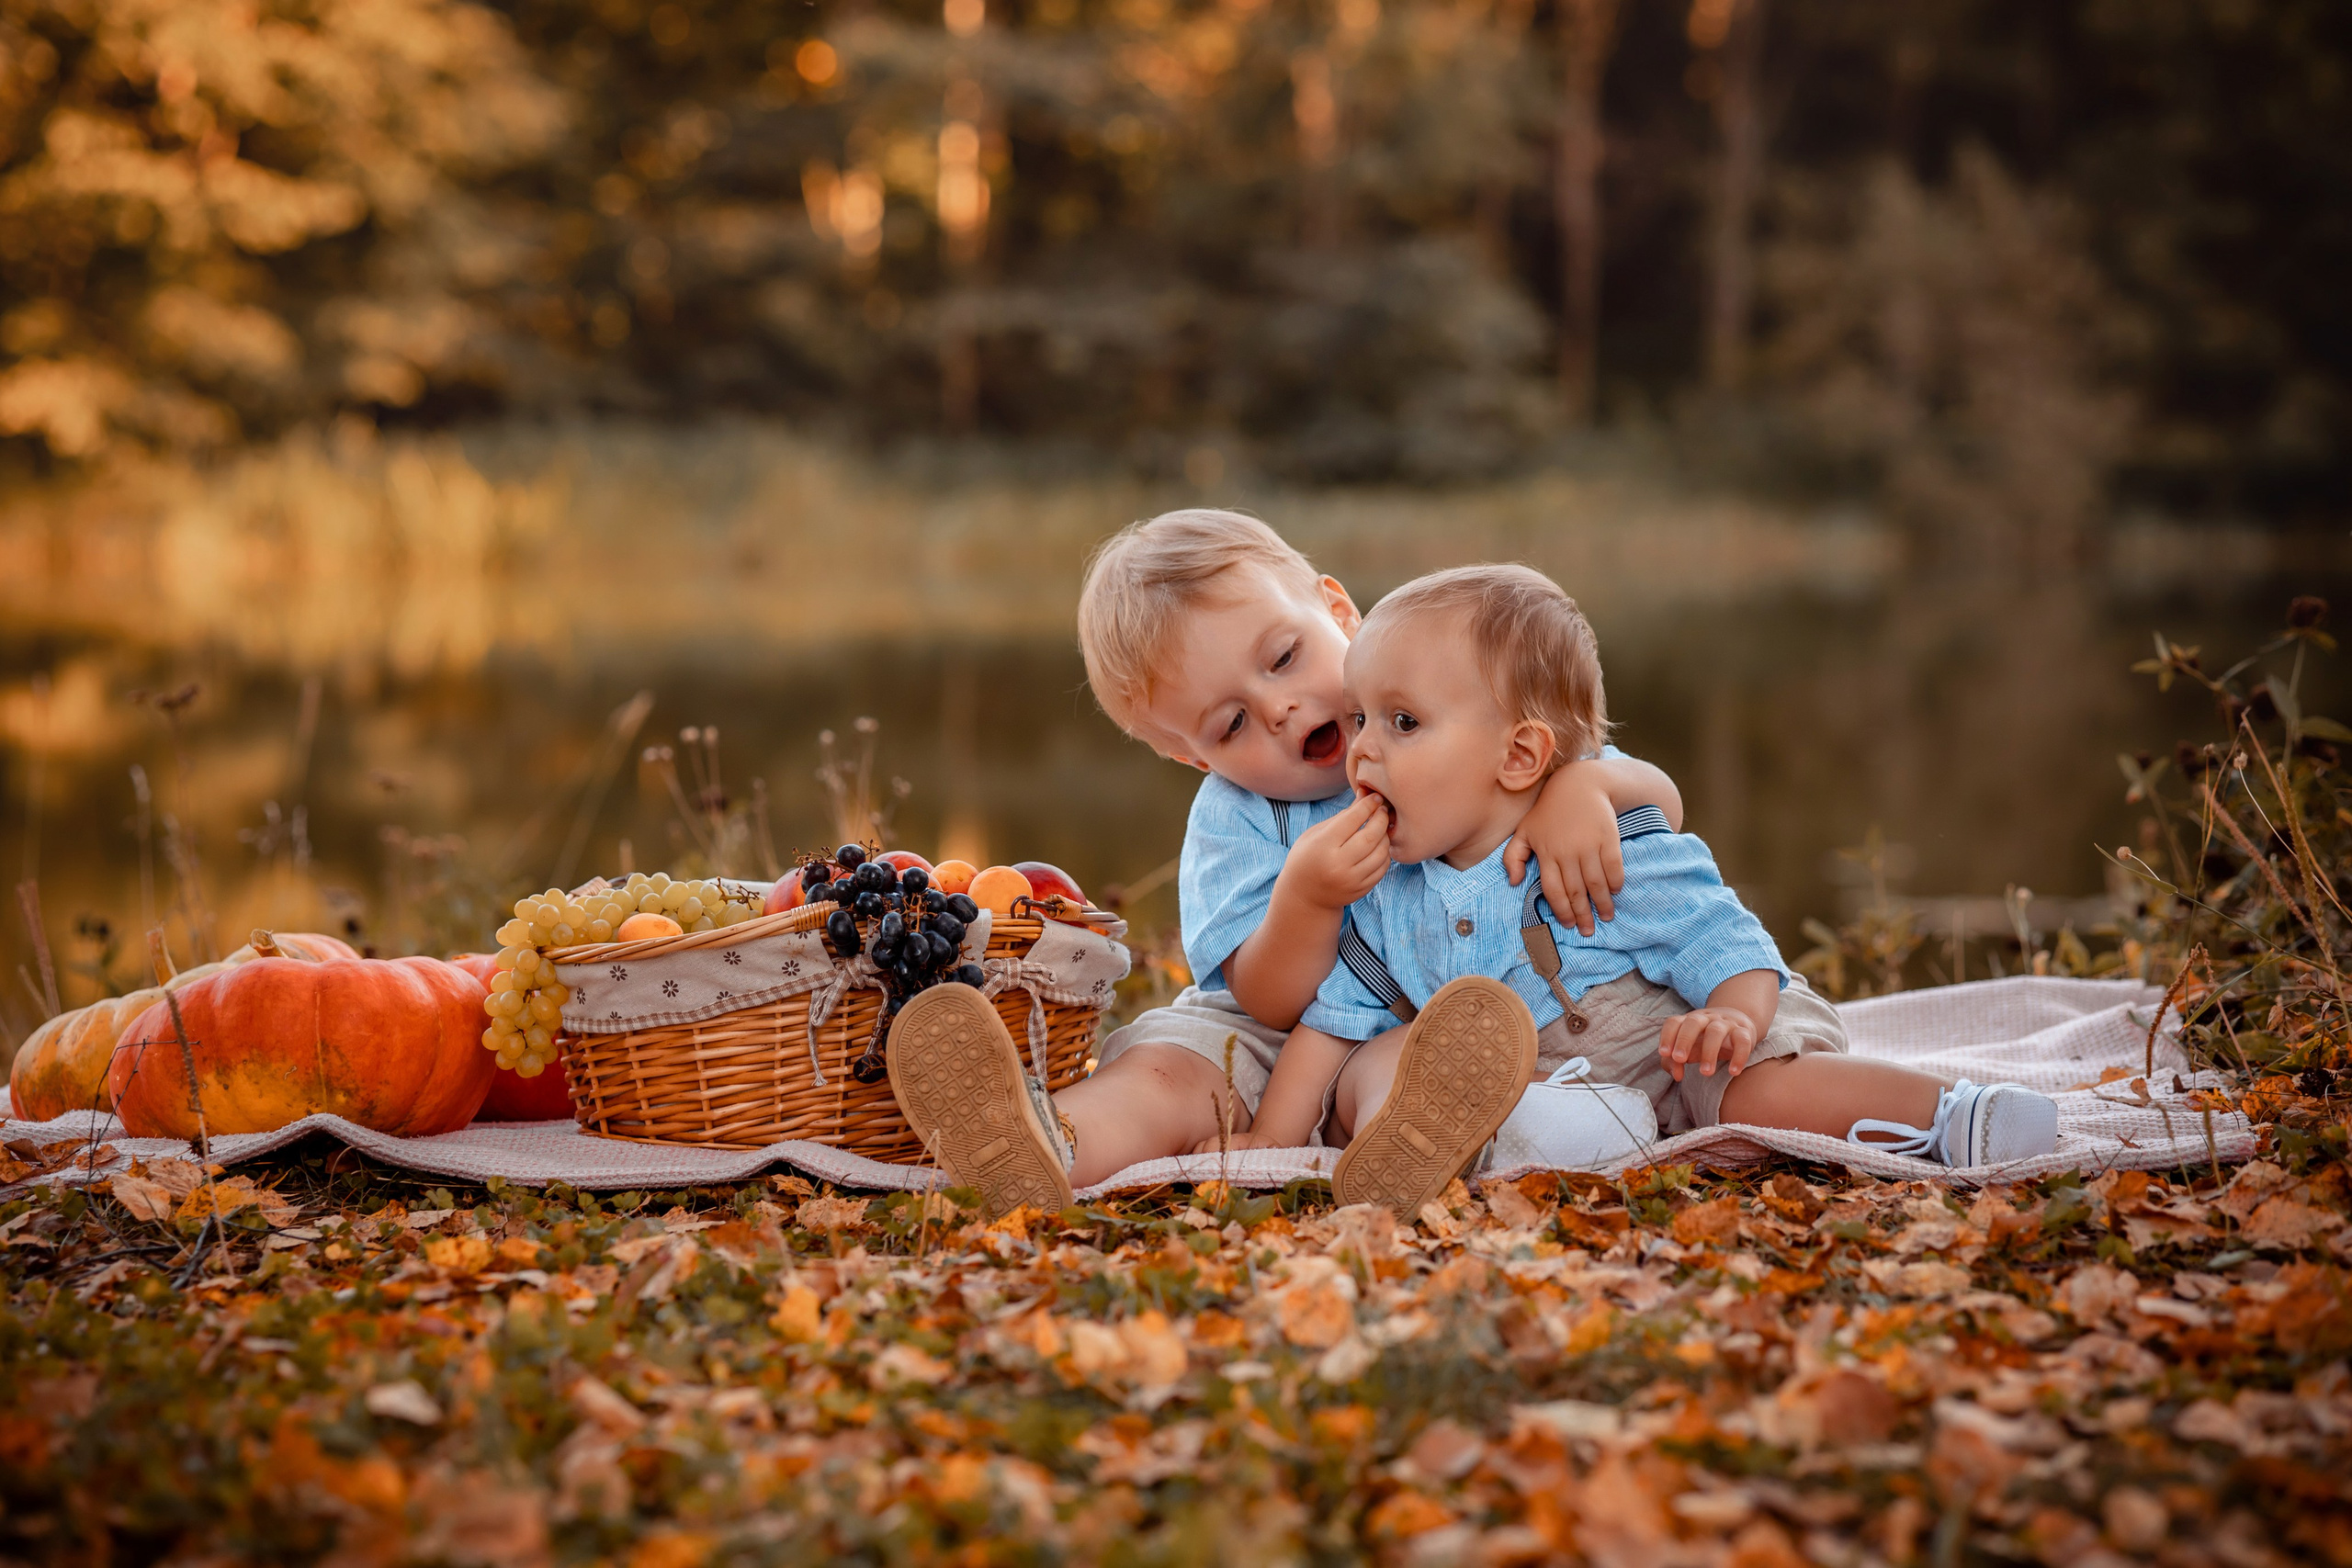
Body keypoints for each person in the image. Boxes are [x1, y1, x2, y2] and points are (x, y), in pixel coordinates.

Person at [884, 511, 1684, 1216]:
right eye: (1231, 724)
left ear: (1337, 610)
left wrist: (1587, 782)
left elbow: (1663, 812)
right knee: (1169, 1069)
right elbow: (1265, 999)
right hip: (1274, 1036)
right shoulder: (1238, 817)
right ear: (1192, 758)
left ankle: (1409, 1146)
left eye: (1284, 657)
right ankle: (1043, 1142)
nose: (1278, 708)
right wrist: (1307, 897)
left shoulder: (1451, 693)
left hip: (1430, 1016)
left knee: (1417, 1064)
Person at [1240, 562, 2059, 1216]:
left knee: (1758, 1099)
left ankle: (1952, 1115)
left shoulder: (1605, 845)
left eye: (1402, 722)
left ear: (1520, 756)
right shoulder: (1383, 889)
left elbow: (1727, 942)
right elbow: (1331, 1023)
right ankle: (1567, 1131)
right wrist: (1265, 1150)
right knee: (1433, 1077)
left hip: (1695, 1040)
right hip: (1570, 1084)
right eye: (1359, 718)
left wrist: (1733, 1014)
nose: (1361, 751)